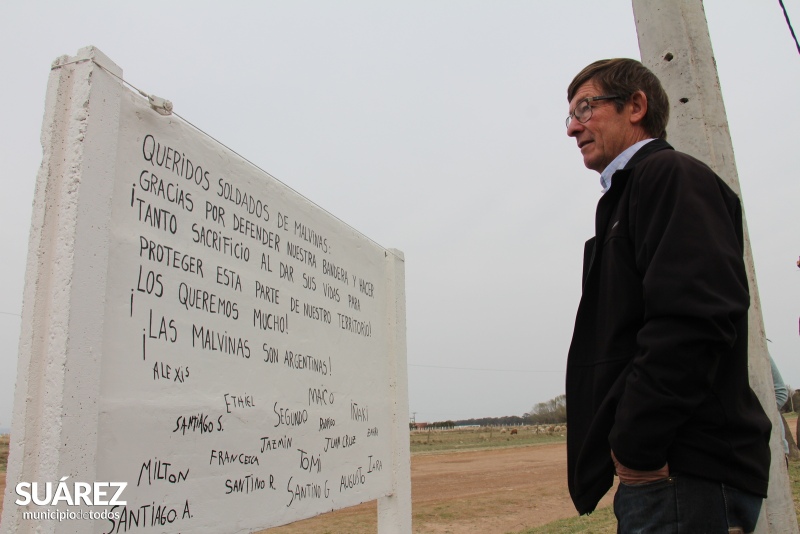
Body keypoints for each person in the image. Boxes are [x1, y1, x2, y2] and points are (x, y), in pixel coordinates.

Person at [564, 58, 772, 533]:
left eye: (586, 107)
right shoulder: (628, 193)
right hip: (670, 471)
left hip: (682, 471)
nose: (573, 128)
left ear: (635, 106)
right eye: (571, 115)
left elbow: (693, 320)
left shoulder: (669, 176)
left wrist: (637, 446)